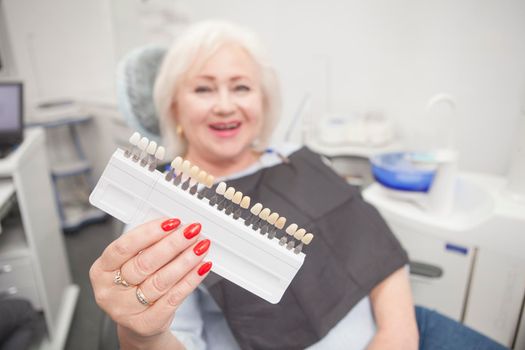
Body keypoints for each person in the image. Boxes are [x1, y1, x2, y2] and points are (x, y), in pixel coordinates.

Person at [89, 21, 508, 350]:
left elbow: (376, 248)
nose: (224, 104)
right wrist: (140, 336)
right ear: (174, 105)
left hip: (402, 327)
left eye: (241, 87)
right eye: (203, 88)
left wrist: (397, 336)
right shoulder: (158, 208)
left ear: (263, 101)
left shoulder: (294, 157)